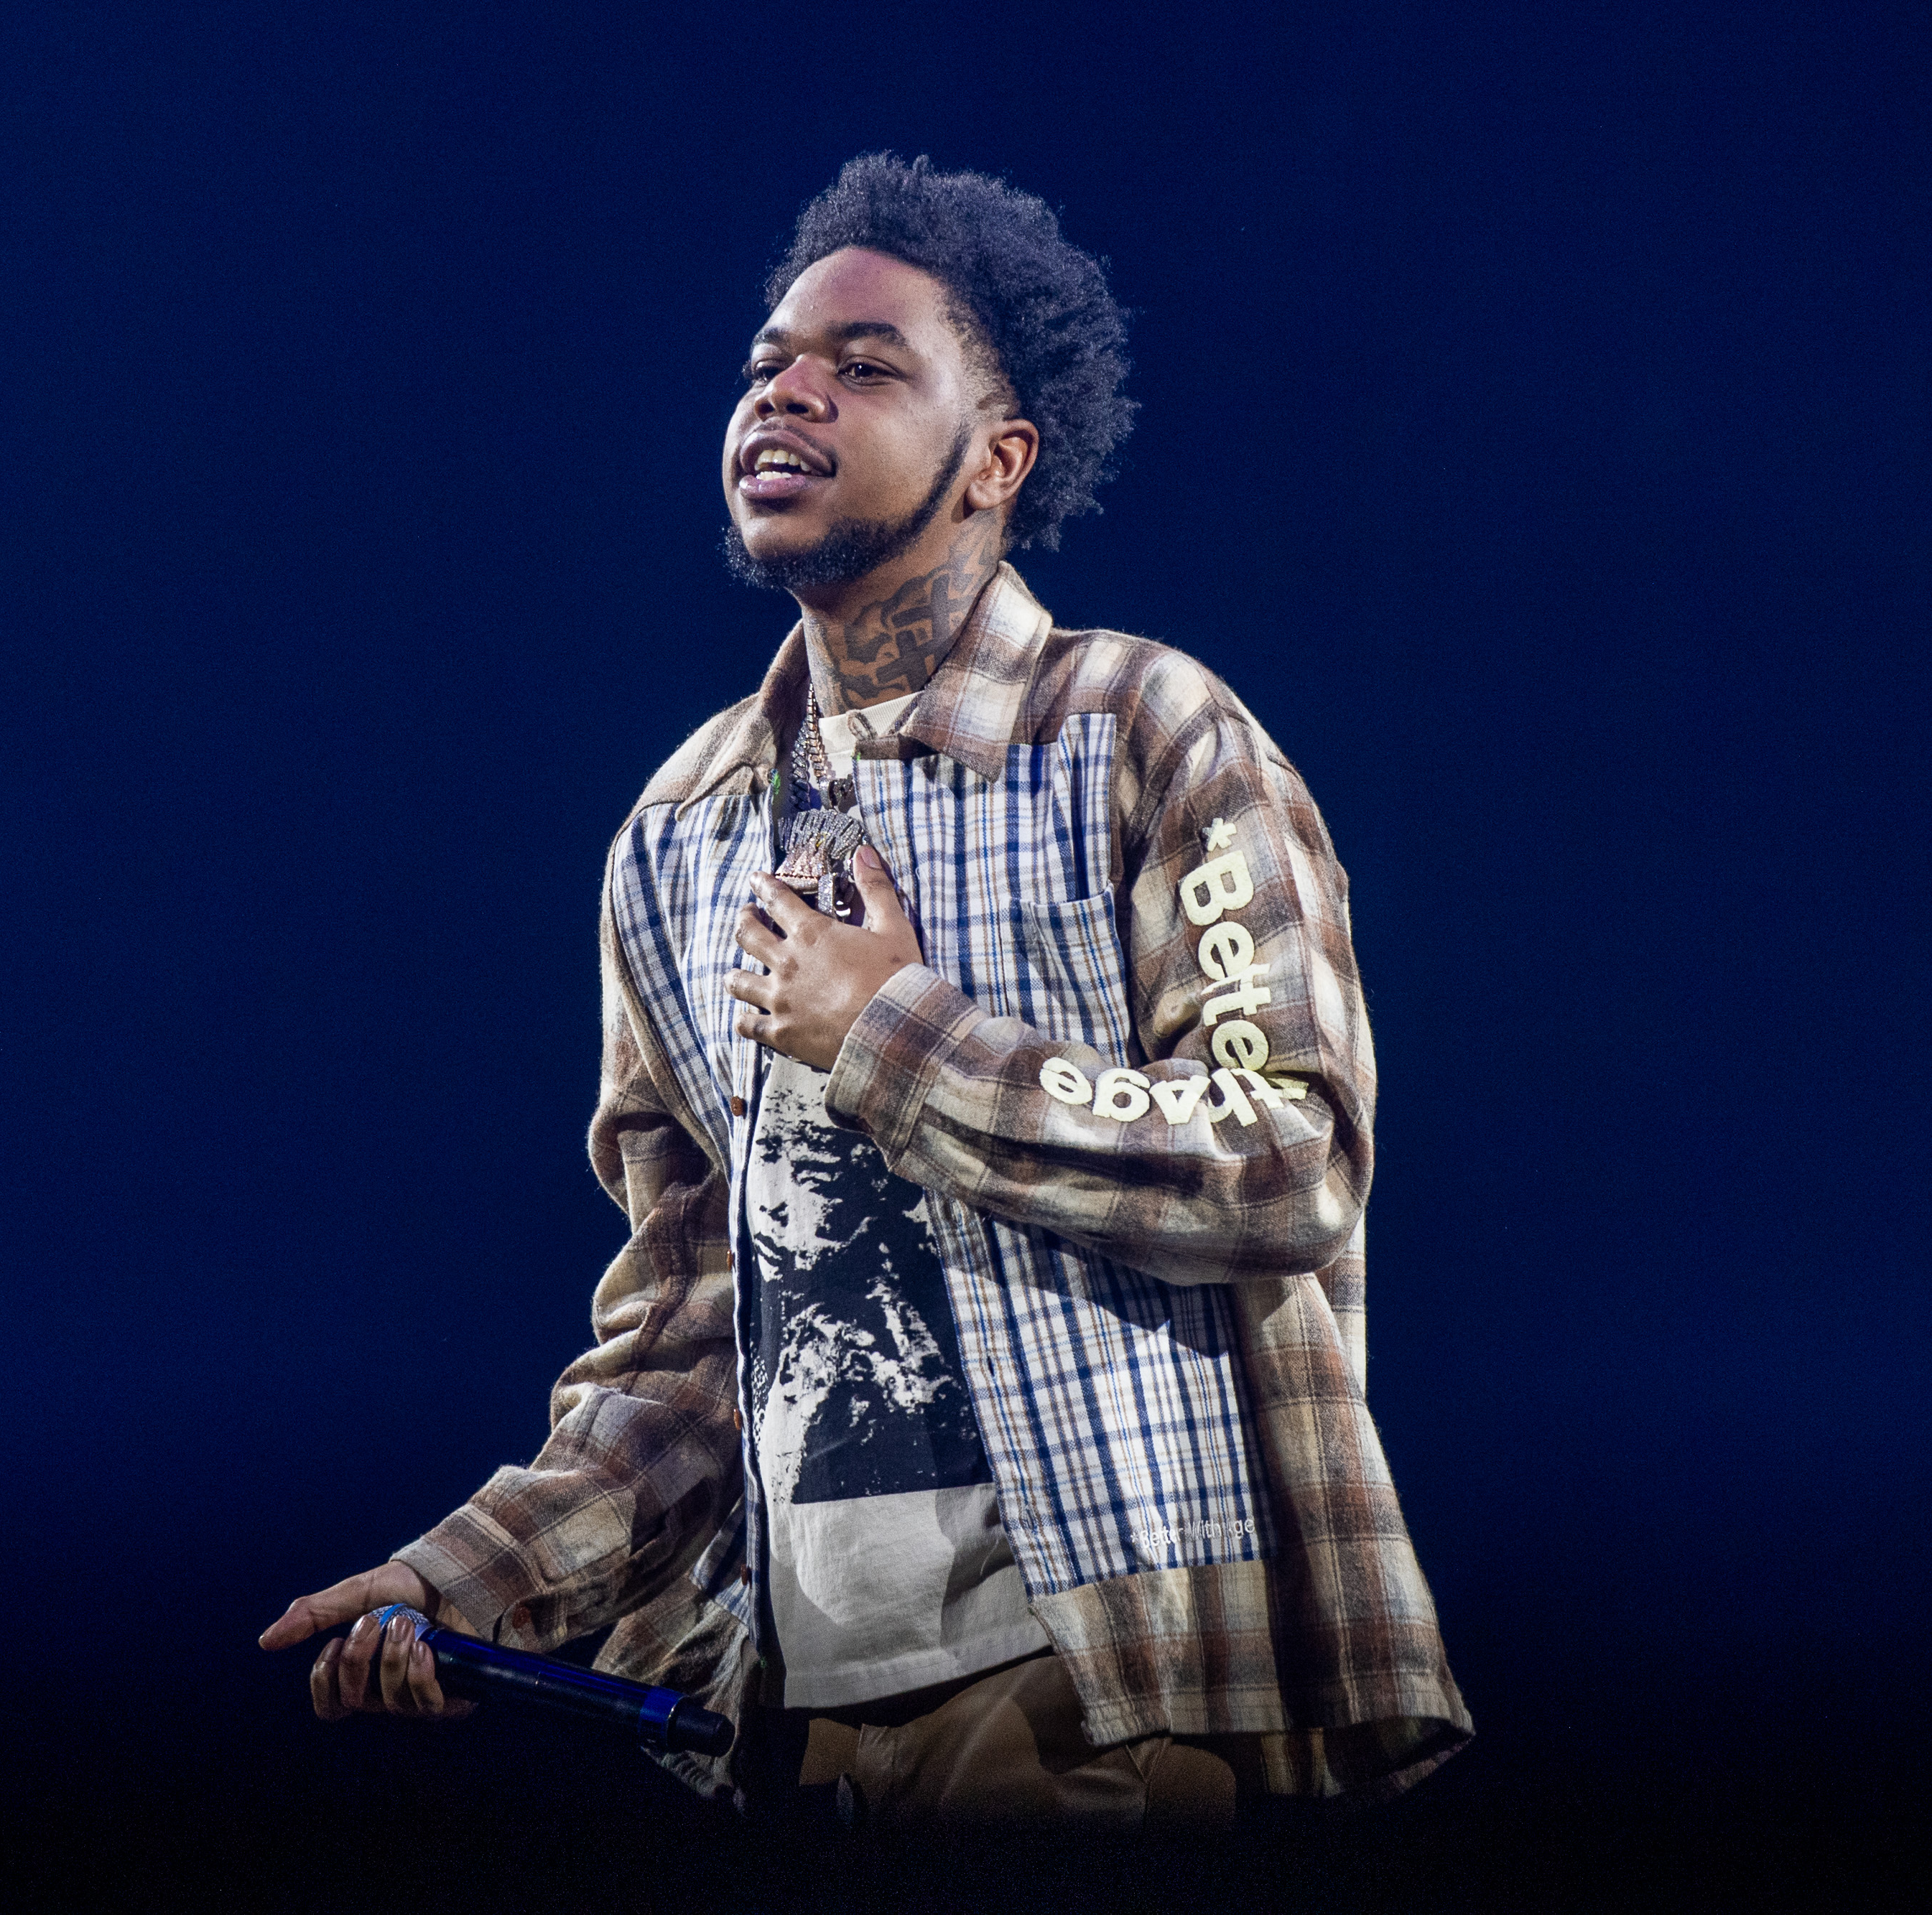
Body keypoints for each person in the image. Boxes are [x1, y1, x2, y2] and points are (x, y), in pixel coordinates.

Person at [257, 154, 1470, 1830]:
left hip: (1097, 1688)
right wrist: (471, 1576)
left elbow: (1288, 1154)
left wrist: (890, 1034)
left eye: (864, 364)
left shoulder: (1142, 733)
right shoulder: (675, 836)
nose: (785, 390)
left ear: (996, 459)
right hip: (782, 1720)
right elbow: (685, 1331)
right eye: (766, 362)